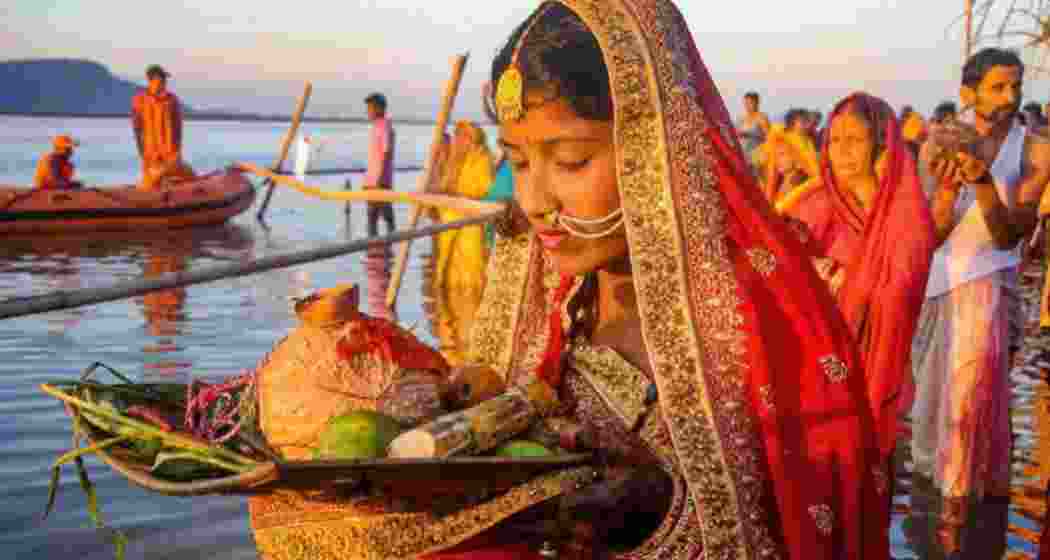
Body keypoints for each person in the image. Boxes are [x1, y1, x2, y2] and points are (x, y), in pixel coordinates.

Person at [248, 2, 887, 559]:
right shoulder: (555, 293)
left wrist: (654, 501)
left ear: (656, 148)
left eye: (572, 159)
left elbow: (801, 530)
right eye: (518, 161)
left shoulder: (759, 323)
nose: (535, 198)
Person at [911, 47, 1050, 553]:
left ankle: (960, 528)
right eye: (997, 87)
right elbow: (933, 232)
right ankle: (931, 524)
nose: (1010, 97)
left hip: (989, 287)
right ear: (968, 92)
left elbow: (1009, 236)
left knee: (970, 409)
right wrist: (949, 191)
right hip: (939, 284)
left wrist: (983, 182)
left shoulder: (1035, 150)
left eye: (1015, 86)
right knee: (930, 409)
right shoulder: (939, 143)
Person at [783, 93, 937, 471]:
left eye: (855, 140)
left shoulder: (905, 216)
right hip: (816, 373)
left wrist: (844, 279)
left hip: (875, 373)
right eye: (834, 140)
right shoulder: (809, 203)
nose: (842, 151)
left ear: (882, 146)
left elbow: (902, 291)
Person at [433, 120, 494, 288]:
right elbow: (445, 187)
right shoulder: (456, 160)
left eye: (461, 136)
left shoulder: (483, 158)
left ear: (471, 138)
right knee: (447, 271)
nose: (457, 140)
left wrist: (461, 196)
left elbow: (485, 191)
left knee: (471, 273)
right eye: (456, 136)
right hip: (449, 220)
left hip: (469, 222)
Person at [131, 65, 195, 190]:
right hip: (151, 156)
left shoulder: (172, 101)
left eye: (164, 80)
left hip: (171, 155)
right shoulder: (139, 100)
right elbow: (137, 129)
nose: (164, 83)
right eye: (162, 80)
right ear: (151, 80)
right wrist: (142, 152)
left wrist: (177, 152)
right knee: (150, 185)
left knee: (189, 178)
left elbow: (178, 129)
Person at [757, 123, 820, 207]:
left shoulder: (804, 186)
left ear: (797, 158)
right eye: (775, 155)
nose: (777, 160)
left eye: (782, 154)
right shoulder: (777, 183)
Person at [363, 92, 396, 237]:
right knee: (373, 218)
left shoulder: (384, 127)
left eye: (371, 108)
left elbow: (386, 152)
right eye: (368, 108)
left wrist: (379, 180)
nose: (368, 111)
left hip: (379, 182)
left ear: (380, 109)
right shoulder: (377, 126)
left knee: (385, 217)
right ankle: (376, 250)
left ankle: (388, 249)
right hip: (373, 181)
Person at [736, 91, 770, 167]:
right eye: (745, 103)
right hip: (743, 154)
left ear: (757, 103)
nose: (747, 106)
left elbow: (769, 138)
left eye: (750, 103)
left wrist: (750, 135)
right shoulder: (741, 118)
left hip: (757, 154)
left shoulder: (762, 118)